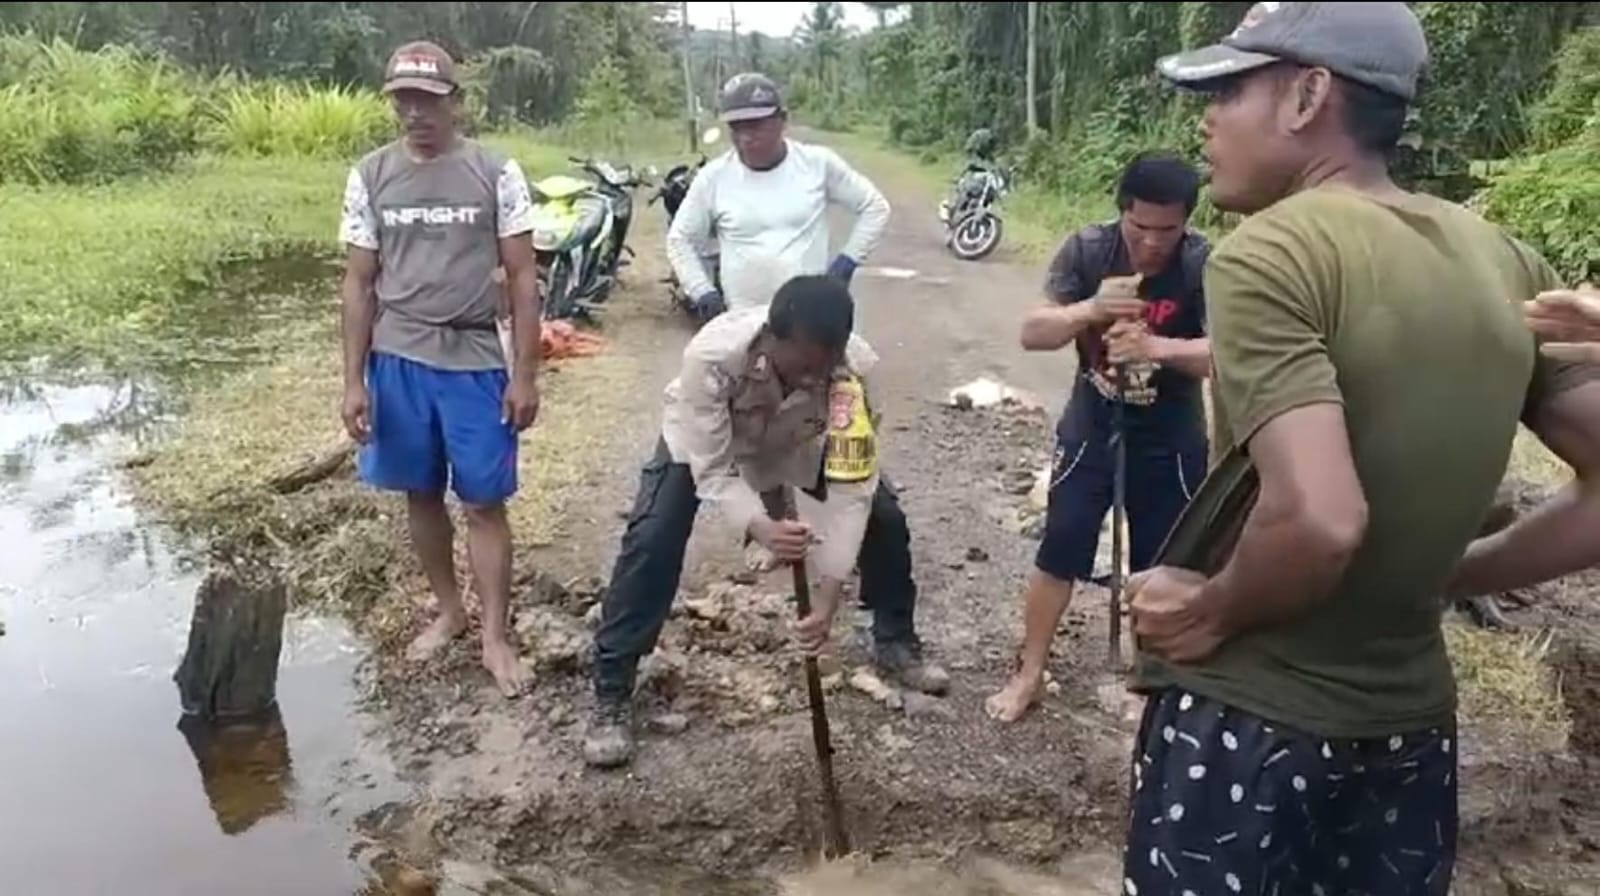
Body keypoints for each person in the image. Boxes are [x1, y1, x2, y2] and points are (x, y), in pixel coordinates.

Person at [1119, 3, 1600, 892]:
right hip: (1411, 728)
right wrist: (1446, 572)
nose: (1208, 115)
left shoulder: (1271, 254)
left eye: (1229, 88)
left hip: (1254, 725)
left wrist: (1216, 607)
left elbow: (1321, 518)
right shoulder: (1500, 256)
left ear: (1308, 96)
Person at [582, 275, 948, 770]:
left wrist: (826, 600)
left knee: (884, 515)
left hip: (797, 441)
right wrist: (760, 525)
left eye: (822, 369)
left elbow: (852, 491)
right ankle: (612, 686)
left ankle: (895, 640)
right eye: (801, 366)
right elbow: (711, 469)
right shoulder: (713, 357)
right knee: (654, 534)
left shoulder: (852, 375)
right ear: (772, 339)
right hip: (709, 439)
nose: (810, 379)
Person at [337, 40, 543, 699]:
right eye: (403, 100)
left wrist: (526, 374)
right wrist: (352, 381)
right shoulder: (370, 175)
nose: (414, 113)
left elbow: (522, 278)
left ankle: (495, 634)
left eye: (427, 100)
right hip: (398, 357)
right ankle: (450, 611)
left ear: (454, 101)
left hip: (476, 358)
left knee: (484, 501)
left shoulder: (495, 172)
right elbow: (358, 284)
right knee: (419, 492)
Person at [984, 152, 1212, 724]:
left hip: (1171, 426)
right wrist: (1090, 309)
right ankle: (1030, 672)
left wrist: (1158, 348)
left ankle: (1156, 685)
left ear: (1186, 222)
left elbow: (1227, 353)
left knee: (1165, 559)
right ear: (1121, 214)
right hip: (1095, 416)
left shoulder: (1204, 263)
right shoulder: (1088, 250)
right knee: (1061, 544)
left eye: (1168, 230)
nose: (1153, 243)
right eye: (1140, 228)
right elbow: (1033, 333)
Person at [665, 72, 891, 318]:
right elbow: (680, 239)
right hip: (742, 319)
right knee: (701, 358)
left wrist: (846, 264)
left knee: (857, 357)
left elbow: (874, 207)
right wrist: (702, 292)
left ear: (782, 120)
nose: (745, 138)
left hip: (808, 321)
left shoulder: (817, 164)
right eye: (736, 128)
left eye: (755, 126)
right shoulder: (714, 177)